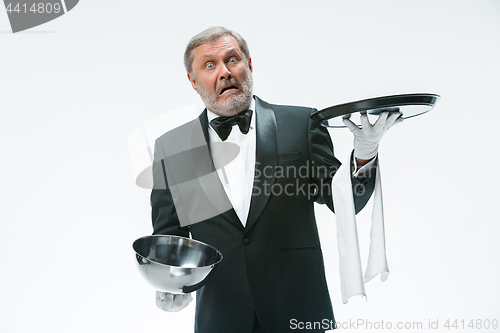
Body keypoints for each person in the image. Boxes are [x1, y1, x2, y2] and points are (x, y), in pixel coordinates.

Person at [150, 26, 402, 333]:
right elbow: (170, 236)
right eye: (210, 65)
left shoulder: (302, 123)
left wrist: (364, 154)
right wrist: (171, 281)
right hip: (220, 316)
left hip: (299, 310)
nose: (225, 72)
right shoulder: (171, 148)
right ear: (193, 81)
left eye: (233, 59)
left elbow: (344, 202)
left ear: (250, 65)